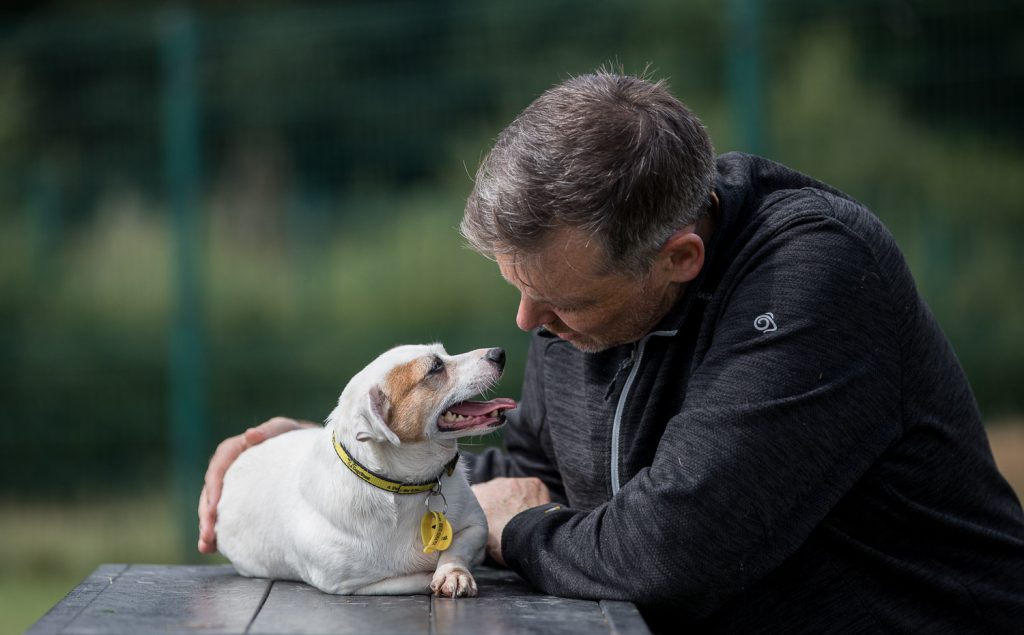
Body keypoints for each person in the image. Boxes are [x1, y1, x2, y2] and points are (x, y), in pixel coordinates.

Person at [198, 70, 1024, 632]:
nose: (528, 323)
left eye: (561, 300)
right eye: (519, 287)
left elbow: (671, 548)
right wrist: (351, 463)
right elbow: (529, 478)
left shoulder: (818, 277)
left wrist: (522, 533)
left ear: (679, 259)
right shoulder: (583, 301)